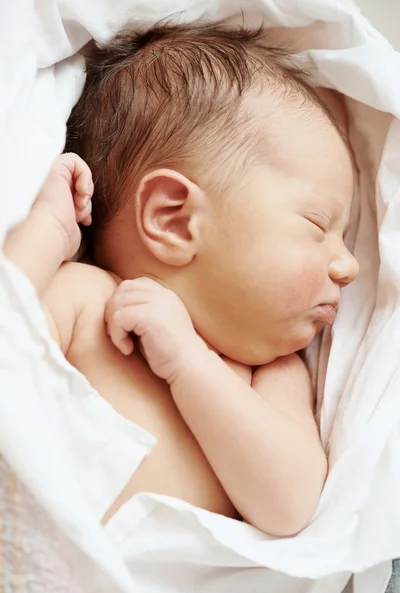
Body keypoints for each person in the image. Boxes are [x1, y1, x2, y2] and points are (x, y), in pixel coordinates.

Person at [3, 22, 359, 536]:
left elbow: (290, 506)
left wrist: (189, 364)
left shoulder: (271, 375)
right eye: (317, 226)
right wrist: (48, 230)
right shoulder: (84, 298)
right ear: (173, 219)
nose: (347, 266)